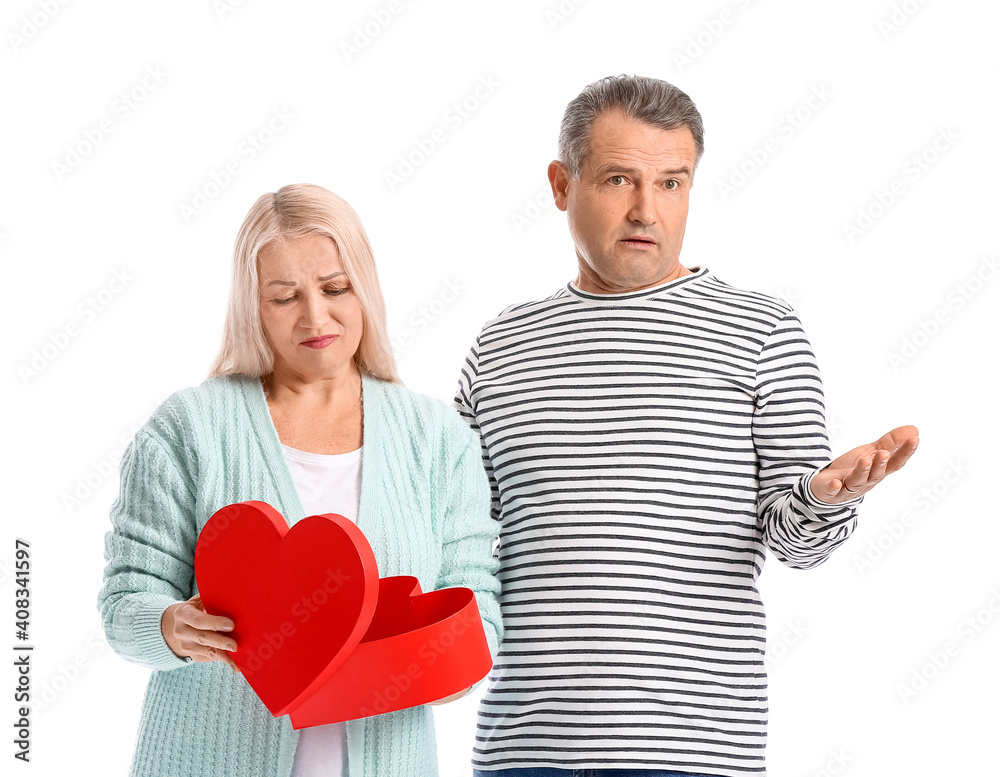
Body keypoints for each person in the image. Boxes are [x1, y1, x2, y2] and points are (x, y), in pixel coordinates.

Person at [454, 76, 919, 777]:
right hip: (521, 750)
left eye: (673, 183)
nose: (648, 210)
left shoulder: (761, 330)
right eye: (619, 179)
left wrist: (825, 495)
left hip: (690, 753)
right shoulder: (502, 345)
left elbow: (797, 543)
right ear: (561, 183)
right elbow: (451, 537)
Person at [98, 183, 502, 777]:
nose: (316, 317)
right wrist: (170, 627)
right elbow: (122, 604)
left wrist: (438, 665)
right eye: (285, 297)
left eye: (335, 289)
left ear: (364, 288)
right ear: (252, 307)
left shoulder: (438, 439)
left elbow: (476, 612)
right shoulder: (188, 430)